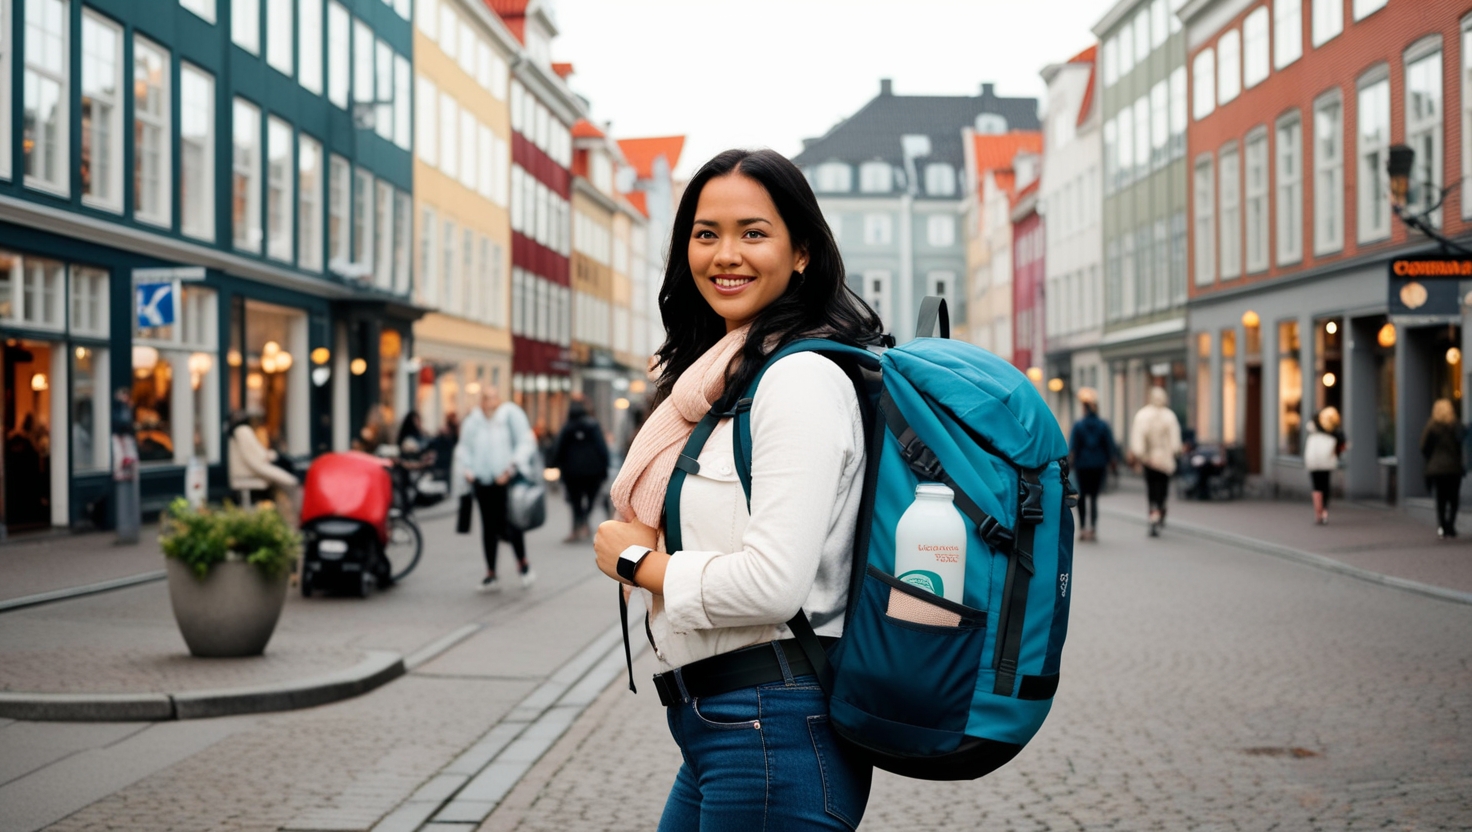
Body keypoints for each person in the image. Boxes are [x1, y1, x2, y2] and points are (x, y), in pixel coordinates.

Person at [594, 148, 883, 830]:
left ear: (802, 251)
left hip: (772, 727)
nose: (726, 255)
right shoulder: (725, 382)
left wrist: (638, 563)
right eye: (706, 233)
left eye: (754, 233)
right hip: (720, 725)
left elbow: (772, 584)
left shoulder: (798, 380)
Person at [456, 387, 538, 590]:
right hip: (482, 481)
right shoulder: (473, 421)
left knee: (512, 524)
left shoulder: (509, 415)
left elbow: (525, 443)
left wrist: (510, 469)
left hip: (505, 480)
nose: (488, 403)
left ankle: (523, 565)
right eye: (485, 398)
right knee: (488, 527)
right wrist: (467, 469)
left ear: (498, 399)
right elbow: (464, 447)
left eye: (492, 398)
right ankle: (491, 573)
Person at [551, 397, 610, 543]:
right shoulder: (593, 425)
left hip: (571, 472)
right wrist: (605, 466)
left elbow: (558, 448)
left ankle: (577, 527)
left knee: (575, 501)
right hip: (593, 471)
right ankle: (583, 522)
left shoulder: (567, 427)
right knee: (590, 498)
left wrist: (553, 464)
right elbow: (602, 448)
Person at [1129, 386, 1182, 538]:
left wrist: (1140, 454)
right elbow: (1175, 440)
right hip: (1165, 459)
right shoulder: (1169, 416)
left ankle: (1153, 512)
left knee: (1151, 487)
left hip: (1149, 459)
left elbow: (1138, 439)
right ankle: (1161, 507)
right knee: (1163, 486)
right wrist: (1176, 451)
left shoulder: (1143, 415)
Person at [227, 410, 300, 519]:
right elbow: (255, 456)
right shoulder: (243, 431)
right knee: (291, 484)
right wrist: (270, 455)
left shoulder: (238, 432)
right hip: (252, 470)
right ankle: (296, 516)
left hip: (252, 469)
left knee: (285, 486)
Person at [1069, 387, 1119, 541]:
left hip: (1082, 465)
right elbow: (1109, 446)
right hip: (1098, 465)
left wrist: (1069, 464)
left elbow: (1072, 447)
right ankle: (1094, 528)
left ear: (1084, 409)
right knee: (1094, 497)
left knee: (1082, 497)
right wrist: (1112, 462)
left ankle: (1083, 528)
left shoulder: (1078, 425)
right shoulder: (1103, 425)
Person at [1421, 398, 1465, 539]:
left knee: (1440, 499)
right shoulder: (1456, 426)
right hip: (1453, 468)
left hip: (1437, 468)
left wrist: (1430, 460)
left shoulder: (1432, 427)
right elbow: (1462, 445)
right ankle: (1451, 525)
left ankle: (1443, 526)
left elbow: (1424, 448)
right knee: (1453, 498)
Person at [1303, 406, 1345, 525]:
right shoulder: (1332, 431)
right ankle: (1324, 511)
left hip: (1313, 460)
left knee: (1316, 487)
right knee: (1325, 486)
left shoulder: (1313, 428)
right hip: (1326, 461)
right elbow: (1341, 443)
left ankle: (1318, 513)